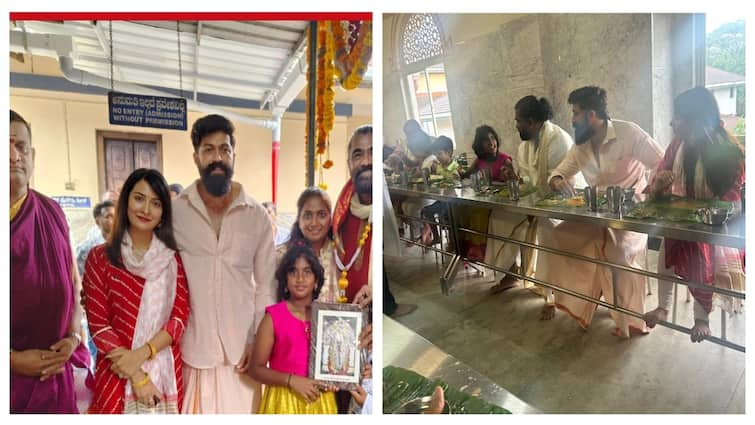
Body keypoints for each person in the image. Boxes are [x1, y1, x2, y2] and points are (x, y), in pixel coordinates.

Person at [173, 114, 276, 413]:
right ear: (196, 157)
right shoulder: (176, 212)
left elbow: (267, 285)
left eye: (224, 149)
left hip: (242, 356)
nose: (217, 158)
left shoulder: (255, 215)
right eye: (208, 150)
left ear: (233, 155)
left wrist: (257, 340)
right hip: (193, 351)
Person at [545, 86, 663, 338]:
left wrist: (649, 192)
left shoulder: (628, 132)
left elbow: (662, 163)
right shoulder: (581, 145)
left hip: (631, 216)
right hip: (596, 214)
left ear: (591, 115)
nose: (572, 119)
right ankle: (586, 298)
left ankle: (628, 320)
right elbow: (557, 173)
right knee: (558, 238)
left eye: (575, 113)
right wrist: (557, 181)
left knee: (617, 251)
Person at [643, 87, 745, 343]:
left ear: (696, 119)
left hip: (717, 227)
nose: (672, 122)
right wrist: (658, 186)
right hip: (682, 220)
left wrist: (708, 213)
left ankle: (702, 319)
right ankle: (663, 307)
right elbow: (657, 177)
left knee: (701, 256)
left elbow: (733, 200)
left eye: (678, 116)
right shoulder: (677, 144)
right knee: (666, 252)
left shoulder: (727, 149)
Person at [82, 169, 189, 413]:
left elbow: (180, 317)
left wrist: (142, 354)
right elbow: (99, 326)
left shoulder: (174, 260)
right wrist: (137, 376)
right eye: (139, 198)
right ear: (126, 201)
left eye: (156, 203)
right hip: (116, 374)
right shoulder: (100, 258)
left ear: (163, 214)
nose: (146, 210)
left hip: (166, 372)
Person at [10, 110, 90, 413]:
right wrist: (12, 360)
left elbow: (72, 281)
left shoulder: (52, 211)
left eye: (21, 147)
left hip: (56, 376)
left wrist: (71, 337)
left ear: (33, 154)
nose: (14, 156)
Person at [485, 96, 577, 301]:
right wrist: (515, 177)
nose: (516, 125)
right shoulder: (525, 145)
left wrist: (530, 197)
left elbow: (556, 181)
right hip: (536, 202)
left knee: (546, 226)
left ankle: (551, 293)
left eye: (518, 120)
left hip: (564, 204)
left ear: (532, 122)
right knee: (499, 216)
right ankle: (510, 274)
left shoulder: (558, 140)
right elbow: (529, 180)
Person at [250, 241, 338, 414]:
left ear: (316, 281)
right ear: (285, 280)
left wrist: (336, 379)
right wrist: (291, 380)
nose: (300, 278)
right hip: (283, 402)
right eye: (293, 272)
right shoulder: (273, 317)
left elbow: (335, 361)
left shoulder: (328, 318)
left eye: (307, 272)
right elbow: (255, 369)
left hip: (320, 402)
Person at [458, 125, 515, 261]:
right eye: (486, 140)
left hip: (501, 202)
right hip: (485, 199)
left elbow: (515, 181)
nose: (491, 143)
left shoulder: (505, 159)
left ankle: (478, 248)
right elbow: (465, 176)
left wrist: (508, 176)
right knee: (461, 208)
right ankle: (463, 247)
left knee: (478, 212)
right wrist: (457, 171)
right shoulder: (480, 161)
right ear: (480, 144)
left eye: (493, 138)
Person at [278, 188, 338, 301]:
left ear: (331, 219)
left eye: (321, 215)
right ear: (298, 219)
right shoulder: (280, 255)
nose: (314, 223)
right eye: (308, 215)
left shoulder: (341, 256)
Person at [420, 136, 460, 246]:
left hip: (454, 201)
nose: (438, 157)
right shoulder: (440, 166)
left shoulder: (454, 167)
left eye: (440, 154)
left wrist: (454, 178)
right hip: (443, 199)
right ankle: (436, 237)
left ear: (449, 152)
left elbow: (458, 183)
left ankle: (453, 242)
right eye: (436, 154)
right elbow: (436, 177)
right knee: (426, 211)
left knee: (449, 215)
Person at [76, 200, 115, 277]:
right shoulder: (86, 250)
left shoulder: (125, 245)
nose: (115, 220)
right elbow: (81, 277)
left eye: (117, 216)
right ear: (98, 222)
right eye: (109, 216)